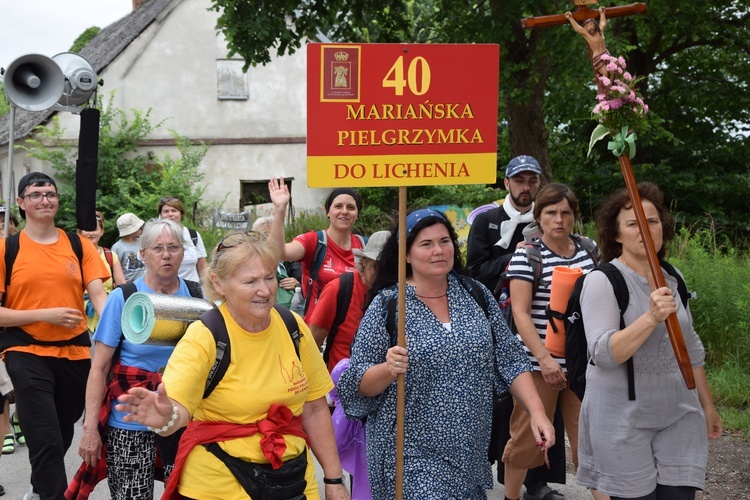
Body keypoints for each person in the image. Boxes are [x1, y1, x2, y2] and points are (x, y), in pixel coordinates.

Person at [114, 232, 351, 500]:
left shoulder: (292, 326)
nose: (265, 290)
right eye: (250, 281)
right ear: (219, 283)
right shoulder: (204, 336)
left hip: (292, 481)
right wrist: (164, 418)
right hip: (218, 483)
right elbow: (177, 408)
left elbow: (315, 407)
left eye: (269, 277)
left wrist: (333, 479)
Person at [338, 208, 554, 499]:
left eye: (445, 241)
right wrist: (388, 369)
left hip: (469, 453)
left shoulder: (475, 294)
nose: (438, 250)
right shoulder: (388, 305)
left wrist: (537, 413)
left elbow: (509, 358)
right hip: (409, 455)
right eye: (426, 244)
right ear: (406, 255)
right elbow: (356, 384)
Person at [577, 183, 722, 499]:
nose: (645, 228)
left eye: (652, 221)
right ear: (617, 235)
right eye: (633, 223)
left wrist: (707, 407)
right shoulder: (602, 281)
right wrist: (651, 317)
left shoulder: (674, 277)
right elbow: (602, 353)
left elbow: (690, 347)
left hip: (679, 414)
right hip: (622, 420)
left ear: (663, 228)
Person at [69, 218, 202, 499]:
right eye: (158, 248)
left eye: (173, 247)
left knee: (184, 494)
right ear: (143, 254)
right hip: (128, 421)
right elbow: (99, 367)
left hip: (181, 416)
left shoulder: (197, 295)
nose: (166, 255)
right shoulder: (124, 297)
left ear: (183, 253)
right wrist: (90, 429)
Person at [0, 172, 109, 500]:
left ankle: (39, 488)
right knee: (46, 437)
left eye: (50, 194)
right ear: (21, 203)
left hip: (75, 351)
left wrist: (119, 329)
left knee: (60, 432)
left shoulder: (79, 246)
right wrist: (44, 315)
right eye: (35, 195)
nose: (44, 199)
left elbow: (100, 295)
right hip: (24, 349)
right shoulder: (7, 249)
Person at [501, 183, 605, 500]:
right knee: (526, 439)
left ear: (574, 216)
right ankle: (511, 497)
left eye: (565, 212)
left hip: (582, 365)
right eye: (551, 213)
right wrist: (545, 360)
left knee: (590, 441)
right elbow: (520, 314)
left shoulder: (590, 251)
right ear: (539, 216)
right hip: (536, 366)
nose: (559, 219)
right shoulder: (527, 257)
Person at [268, 178, 366, 323]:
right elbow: (278, 252)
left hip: (353, 334)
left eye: (351, 207)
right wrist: (280, 209)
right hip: (317, 334)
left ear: (357, 214)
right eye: (338, 206)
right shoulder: (314, 242)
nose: (344, 211)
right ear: (328, 212)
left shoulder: (365, 246)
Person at [310, 230, 390, 372]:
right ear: (364, 261)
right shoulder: (339, 289)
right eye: (378, 266)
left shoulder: (399, 293)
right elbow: (312, 345)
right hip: (340, 387)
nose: (385, 274)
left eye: (391, 268)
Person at [467, 155, 542, 294]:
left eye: (532, 181)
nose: (526, 187)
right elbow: (474, 273)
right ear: (507, 183)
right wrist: (516, 256)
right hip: (496, 307)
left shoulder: (545, 221)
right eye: (519, 181)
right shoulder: (485, 221)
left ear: (539, 183)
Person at [79, 210, 126, 332]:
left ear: (102, 231)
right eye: (87, 229)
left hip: (106, 312)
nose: (90, 233)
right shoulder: (72, 256)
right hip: (79, 317)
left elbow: (122, 285)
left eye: (94, 228)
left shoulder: (111, 256)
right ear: (79, 232)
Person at [252, 216, 301, 308]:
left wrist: (298, 284)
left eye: (274, 234)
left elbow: (309, 289)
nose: (270, 238)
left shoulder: (290, 261)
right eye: (265, 234)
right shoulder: (252, 263)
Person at [157, 196, 207, 282]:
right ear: (161, 215)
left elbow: (202, 267)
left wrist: (209, 289)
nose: (170, 214)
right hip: (163, 291)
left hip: (192, 291)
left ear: (181, 213)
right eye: (166, 211)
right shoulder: (154, 236)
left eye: (174, 211)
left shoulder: (193, 235)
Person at [564, 7, 609, 78]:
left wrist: (602, 13)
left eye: (591, 24)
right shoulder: (588, 36)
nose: (590, 27)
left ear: (595, 25)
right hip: (598, 57)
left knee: (613, 71)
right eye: (587, 26)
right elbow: (578, 29)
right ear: (585, 29)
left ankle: (612, 87)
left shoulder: (600, 32)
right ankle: (607, 88)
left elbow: (603, 23)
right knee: (605, 73)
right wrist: (570, 18)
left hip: (606, 54)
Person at [111, 212, 146, 282]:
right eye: (139, 228)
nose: (141, 229)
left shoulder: (143, 242)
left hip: (145, 282)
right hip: (128, 285)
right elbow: (113, 269)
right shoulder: (117, 248)